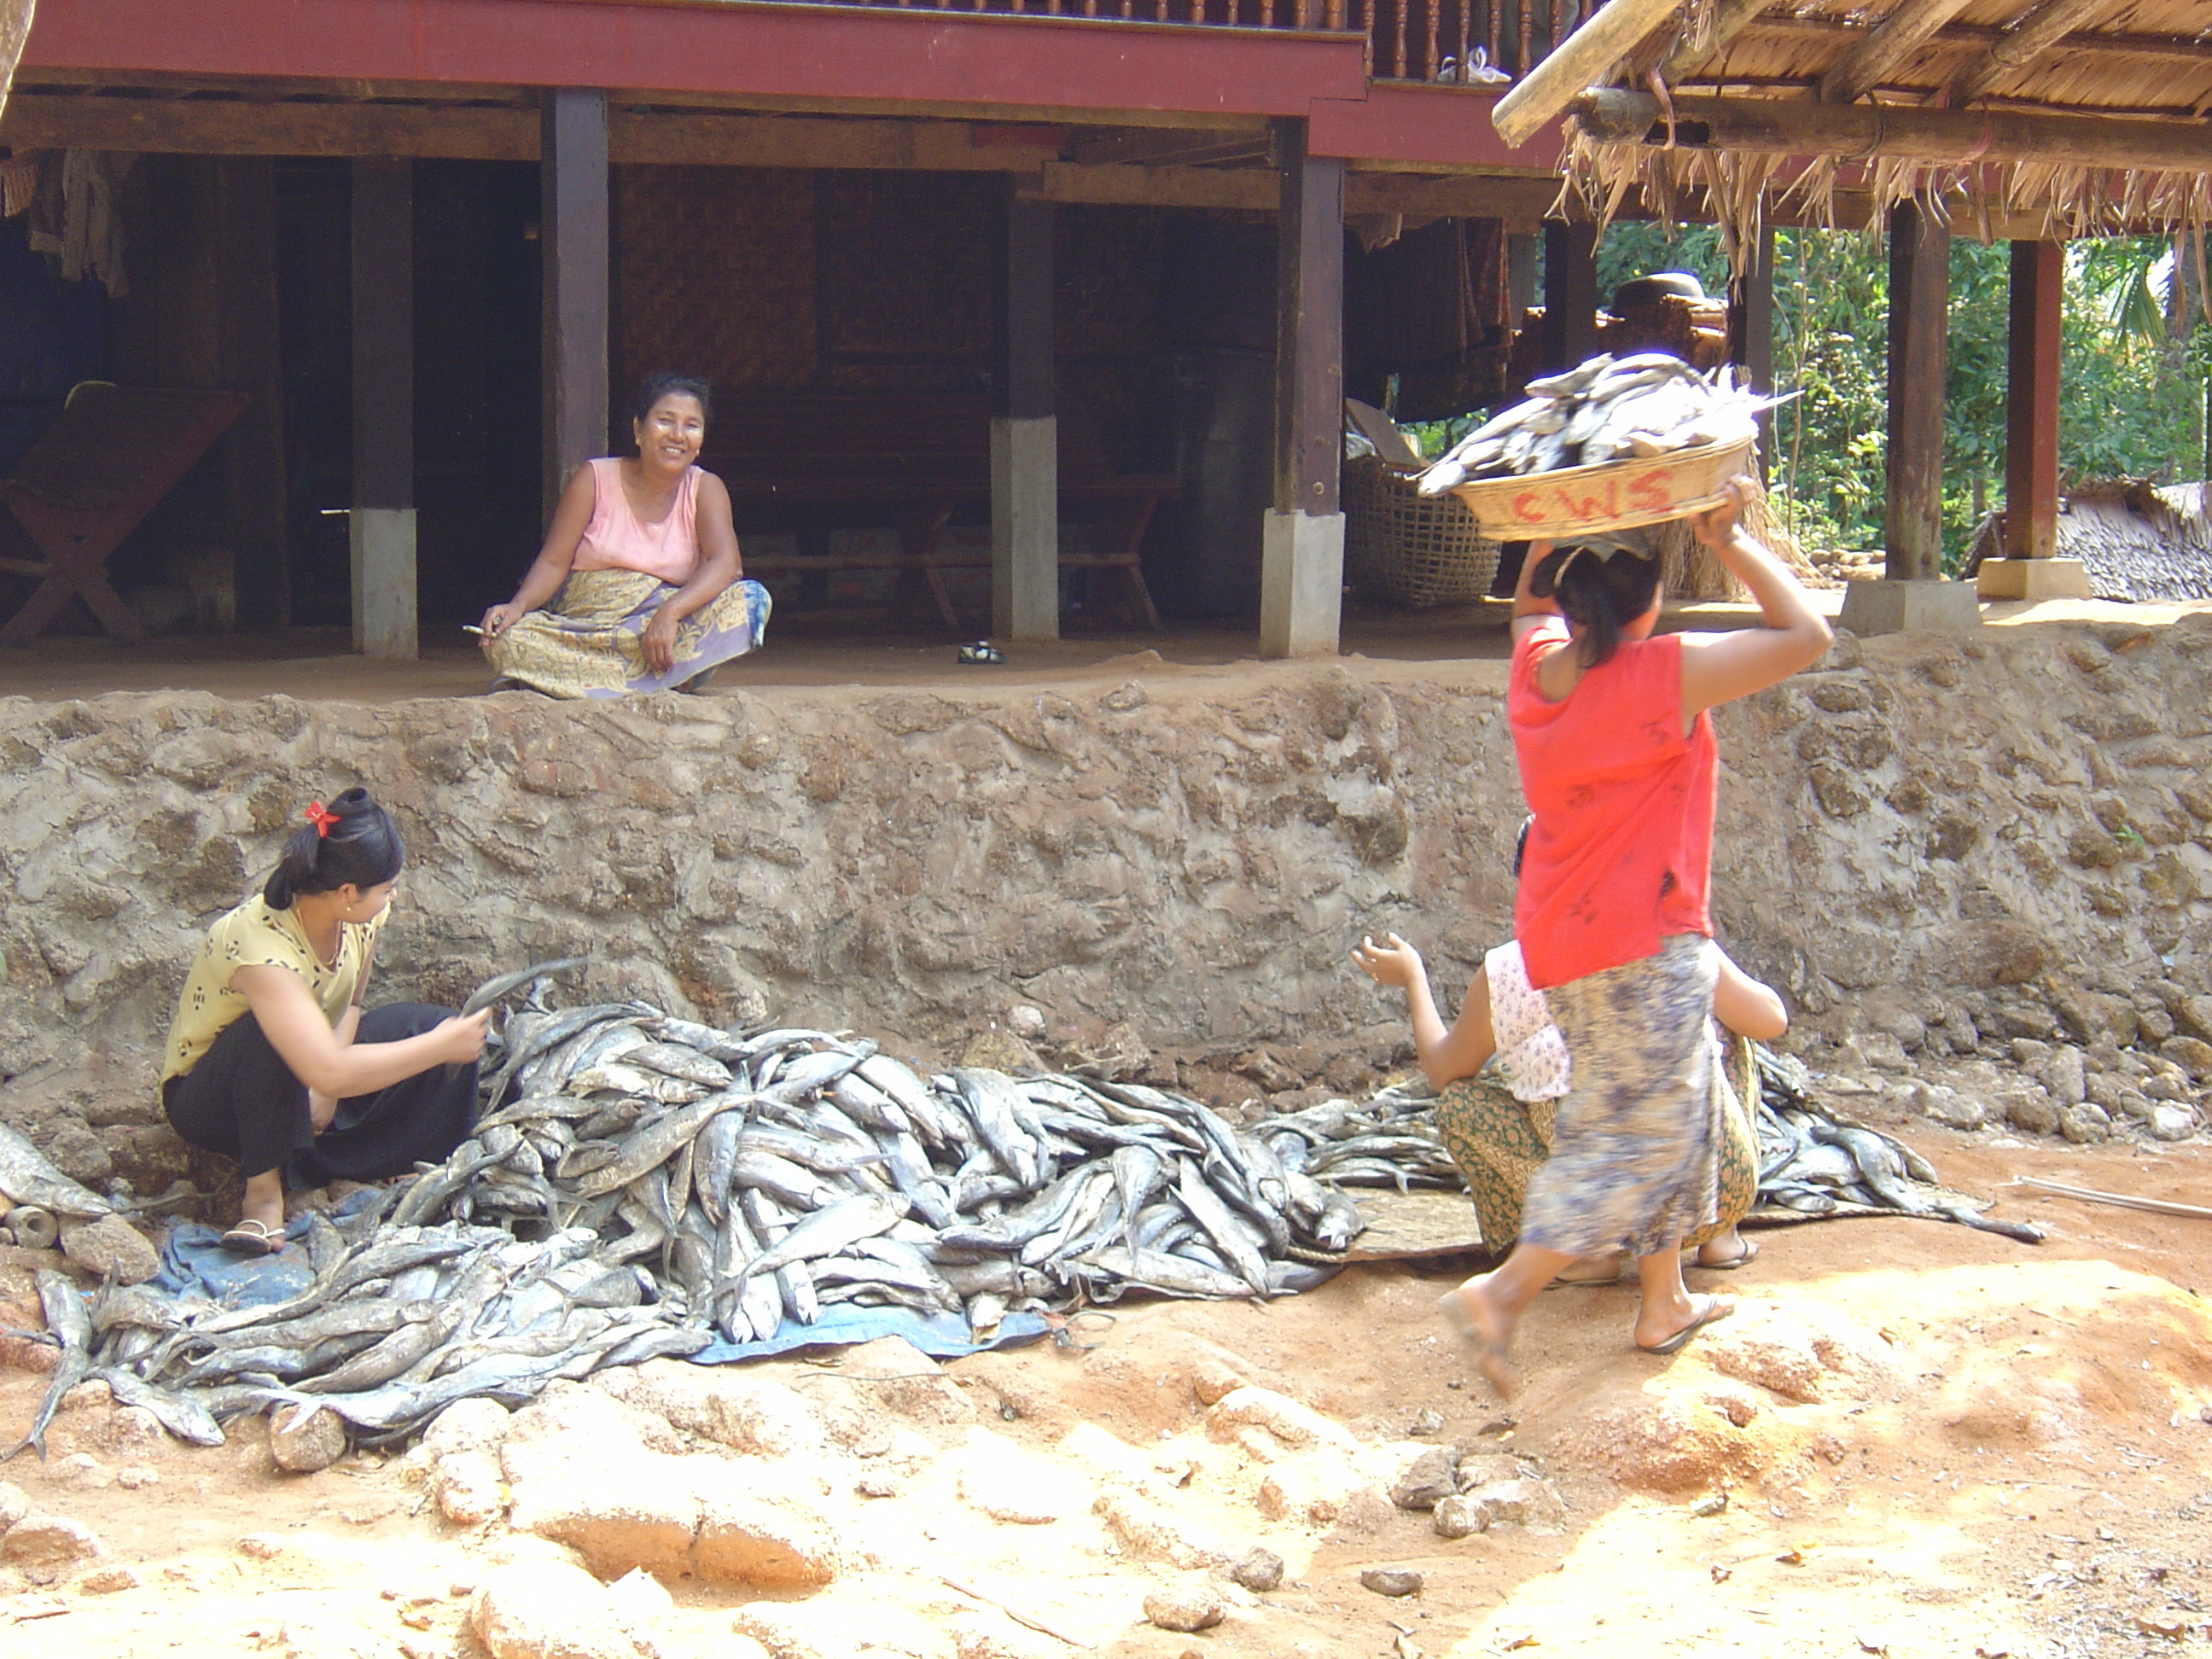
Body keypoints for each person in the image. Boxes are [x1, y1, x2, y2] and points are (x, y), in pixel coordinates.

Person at [1435, 479, 1830, 1393]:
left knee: (1668, 1110)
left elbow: (1529, 603)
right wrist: (1728, 538)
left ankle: (1665, 1302)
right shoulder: (1665, 673)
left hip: (1563, 940)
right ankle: (1506, 1290)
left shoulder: (1537, 665)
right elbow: (1808, 635)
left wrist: (1550, 518)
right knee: (1637, 1133)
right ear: (1649, 610)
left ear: (1570, 609)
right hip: (1646, 937)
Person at [160, 789, 491, 1254]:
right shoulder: (259, 948)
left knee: (430, 1024)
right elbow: (325, 1068)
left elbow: (352, 1005)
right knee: (266, 1036)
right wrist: (438, 1048)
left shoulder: (360, 919)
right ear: (347, 893)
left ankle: (379, 1160)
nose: (393, 896)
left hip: (312, 1065)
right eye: (387, 888)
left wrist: (330, 1090)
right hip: (223, 1096)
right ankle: (263, 1198)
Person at [1353, 925, 1786, 1278]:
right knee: (1728, 1029)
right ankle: (1722, 1235)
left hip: (1595, 1214)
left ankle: (1582, 1256)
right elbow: (1771, 1019)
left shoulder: (1507, 970)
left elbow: (1444, 1072)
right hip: (1715, 1194)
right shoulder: (1668, 932)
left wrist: (1414, 979)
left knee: (1460, 1106)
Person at [480, 372, 771, 698]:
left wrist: (669, 613)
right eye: (665, 421)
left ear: (701, 440)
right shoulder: (594, 479)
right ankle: (658, 680)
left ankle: (576, 683)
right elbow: (552, 561)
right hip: (586, 633)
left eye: (691, 425)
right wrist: (518, 606)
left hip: (658, 632)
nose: (677, 435)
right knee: (508, 639)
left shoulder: (706, 488)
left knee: (749, 601)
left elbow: (726, 565)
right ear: (638, 429)